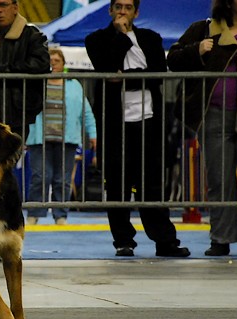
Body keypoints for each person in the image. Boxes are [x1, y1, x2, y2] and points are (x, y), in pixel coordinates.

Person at [167, 0, 237, 257]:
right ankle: (221, 238)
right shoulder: (203, 29)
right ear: (228, 2)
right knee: (219, 179)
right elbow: (173, 59)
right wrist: (197, 50)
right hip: (213, 116)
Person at [85, 0, 190, 257]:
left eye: (128, 7)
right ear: (110, 10)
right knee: (118, 184)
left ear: (136, 12)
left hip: (149, 120)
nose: (122, 11)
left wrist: (123, 77)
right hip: (115, 122)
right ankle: (123, 241)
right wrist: (121, 38)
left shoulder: (151, 38)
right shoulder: (96, 39)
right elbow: (106, 68)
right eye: (118, 6)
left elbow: (156, 72)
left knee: (152, 184)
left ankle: (165, 241)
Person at [25, 48, 97, 225]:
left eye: (57, 60)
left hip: (67, 139)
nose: (53, 63)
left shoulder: (74, 85)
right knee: (40, 177)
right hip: (39, 138)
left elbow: (86, 111)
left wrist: (93, 133)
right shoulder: (36, 83)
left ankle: (61, 216)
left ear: (64, 64)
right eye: (50, 60)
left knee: (62, 179)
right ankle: (34, 214)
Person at [0, 0, 51, 139]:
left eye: (3, 5)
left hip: (15, 111)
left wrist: (1, 72)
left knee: (7, 158)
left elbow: (41, 64)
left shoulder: (32, 35)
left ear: (15, 8)